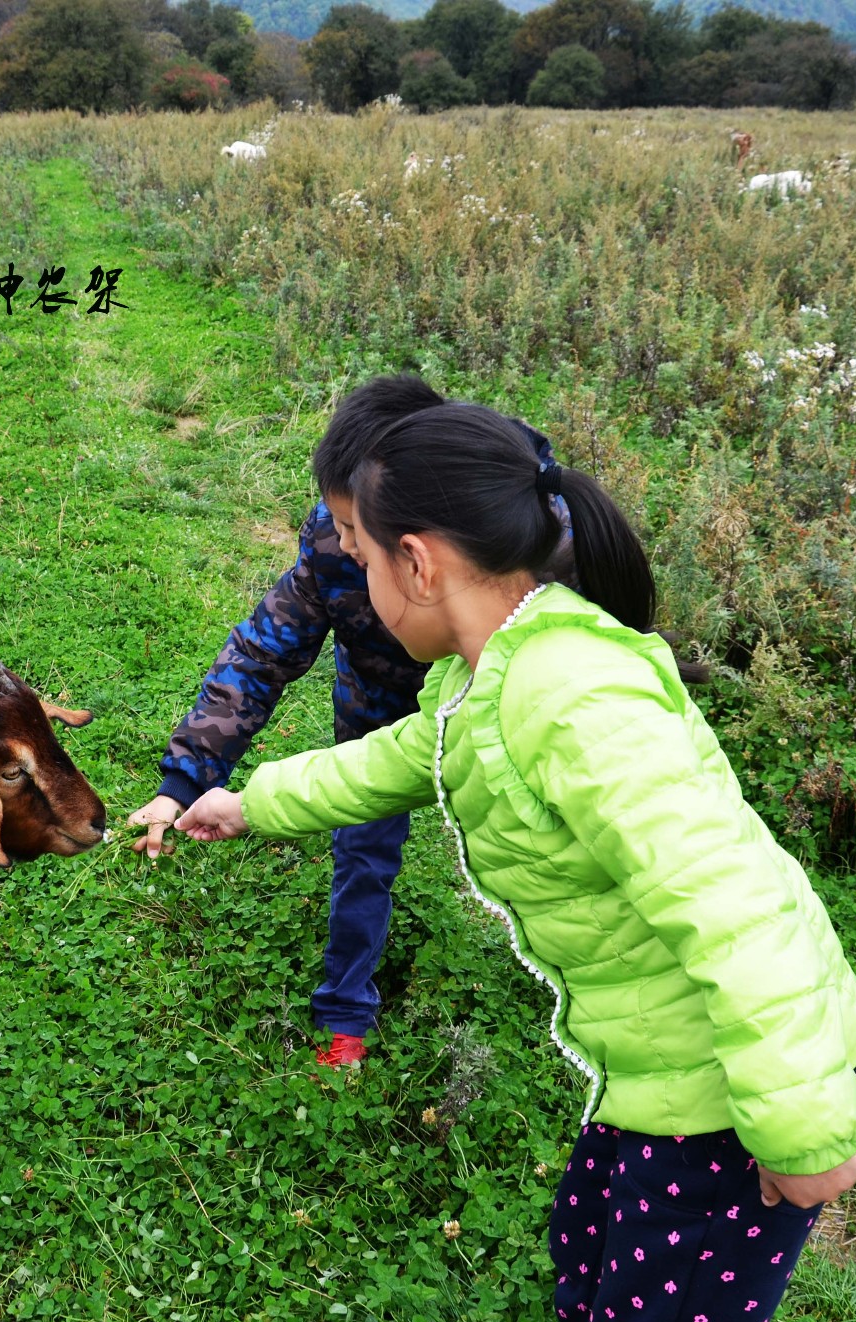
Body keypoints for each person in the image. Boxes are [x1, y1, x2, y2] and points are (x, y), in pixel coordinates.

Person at [175, 396, 856, 1322]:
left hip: (737, 1098)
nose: (357, 575)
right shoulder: (500, 670)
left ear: (417, 563)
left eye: (366, 558)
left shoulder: (577, 697)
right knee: (585, 1265)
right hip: (656, 1072)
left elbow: (735, 905)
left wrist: (805, 1131)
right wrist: (249, 801)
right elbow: (398, 757)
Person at [128, 375, 559, 1068]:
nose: (349, 547)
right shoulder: (333, 547)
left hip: (497, 720)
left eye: (358, 530)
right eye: (340, 528)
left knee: (528, 848)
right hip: (380, 713)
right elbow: (263, 653)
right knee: (364, 849)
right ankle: (346, 1011)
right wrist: (185, 779)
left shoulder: (525, 564)